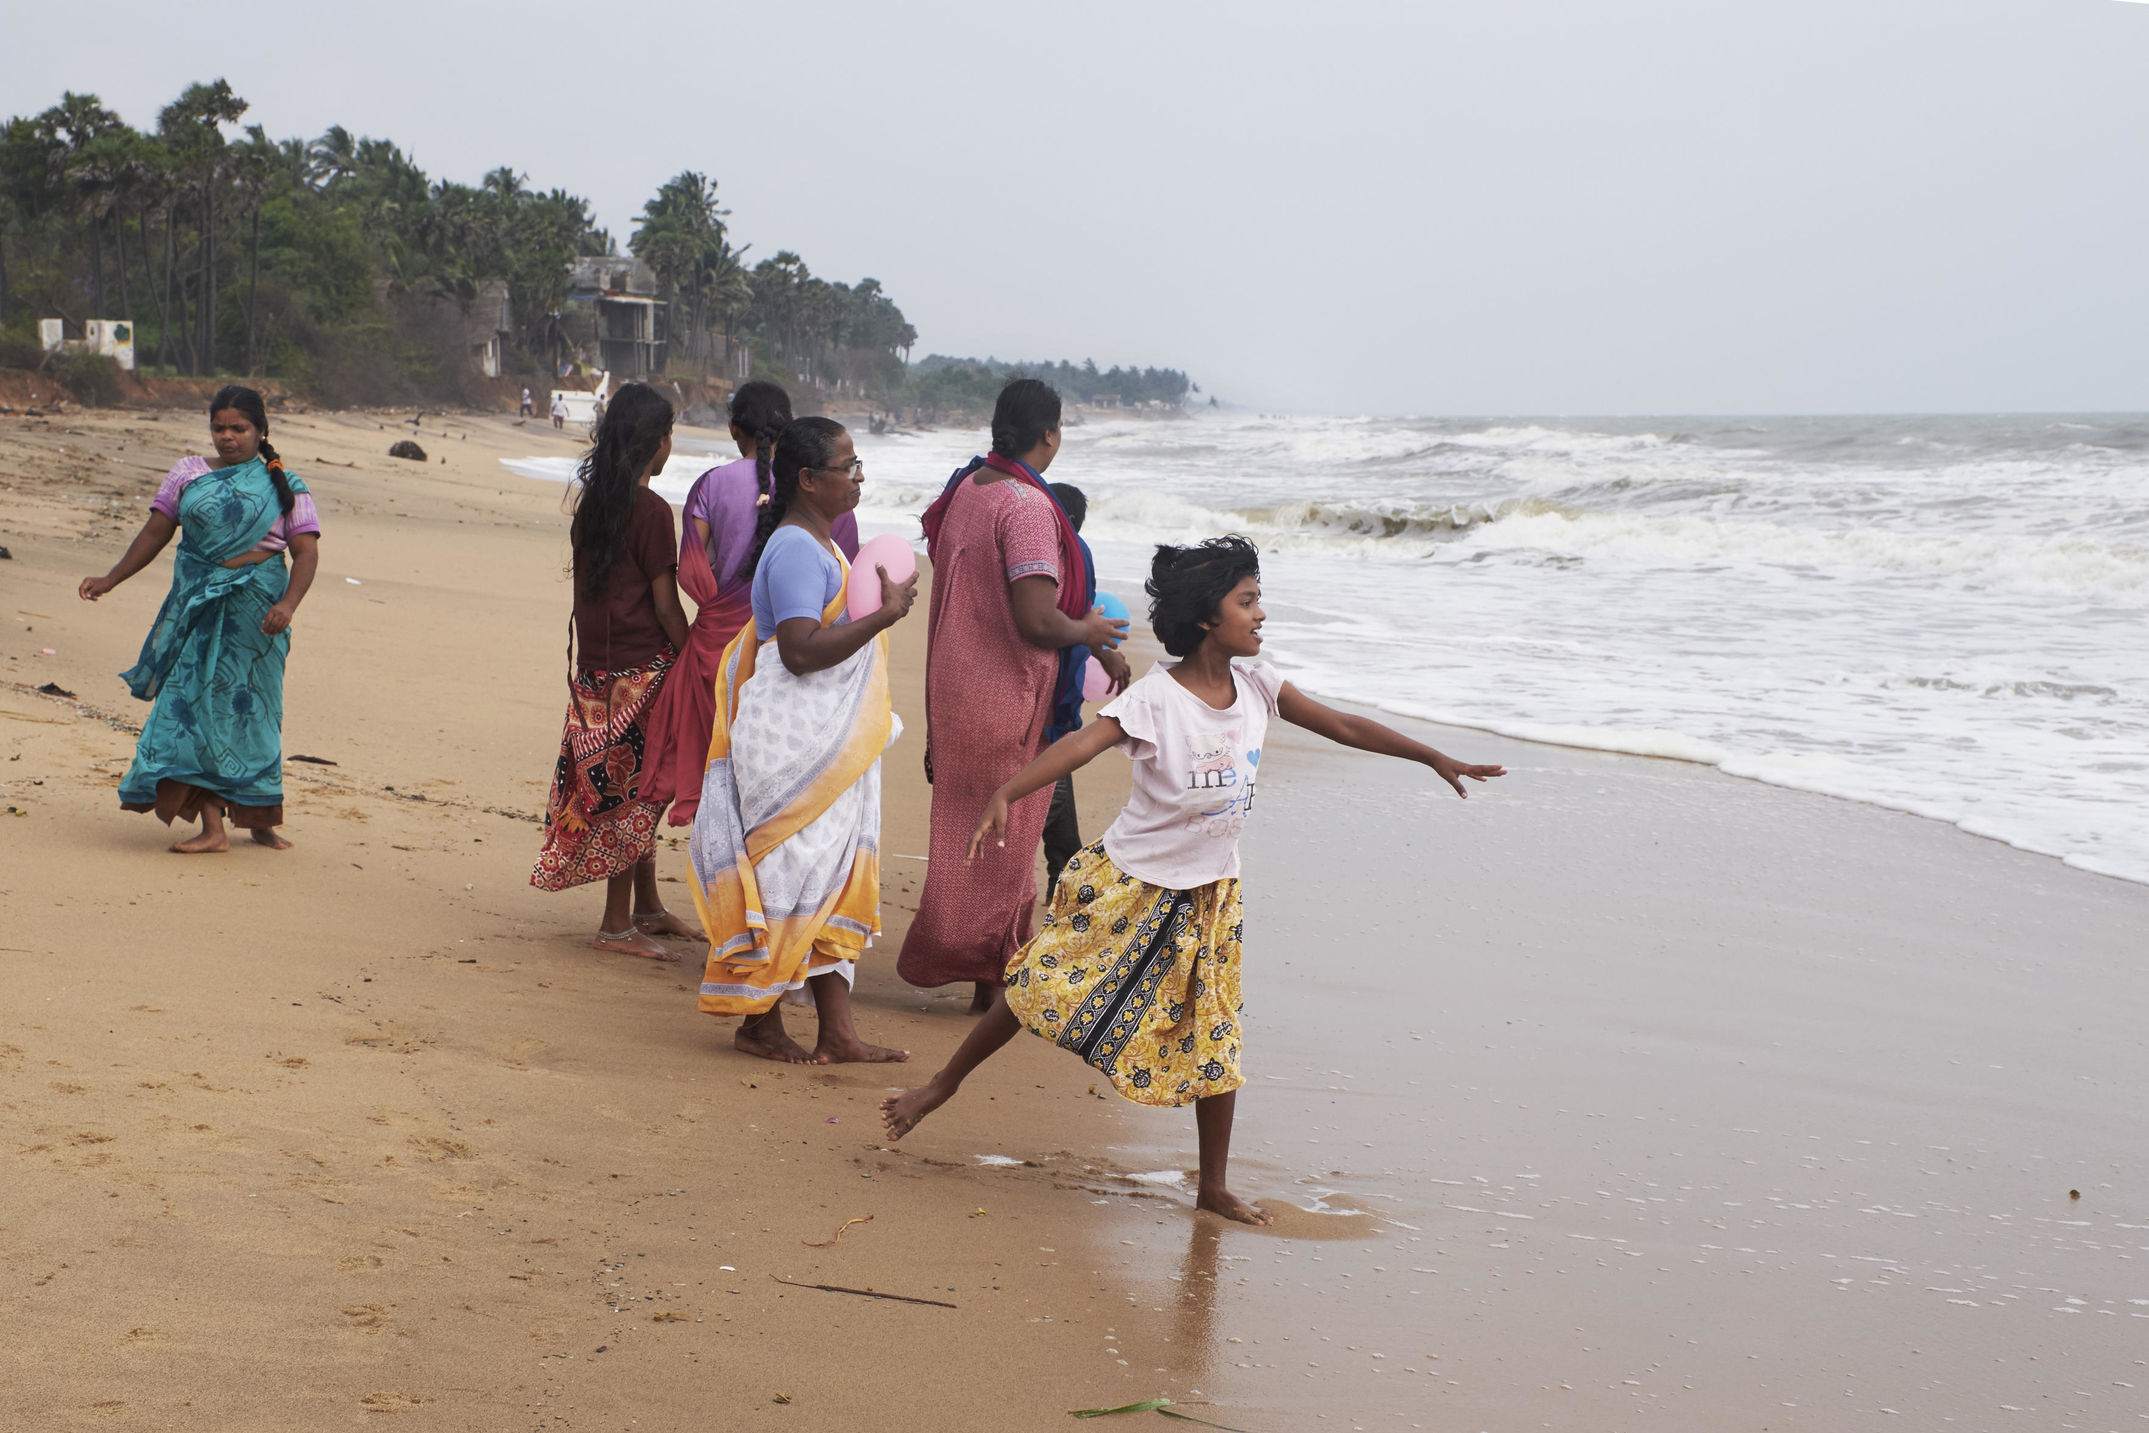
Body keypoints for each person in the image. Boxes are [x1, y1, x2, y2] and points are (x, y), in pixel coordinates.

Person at [881, 536, 1506, 1222]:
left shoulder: (1258, 684)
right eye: (1247, 600)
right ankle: (939, 1087)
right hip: (1134, 882)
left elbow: (1343, 725)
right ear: (1208, 616)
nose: (1260, 613)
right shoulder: (1156, 698)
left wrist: (1431, 755)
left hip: (1211, 893)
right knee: (1038, 983)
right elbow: (1080, 743)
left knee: (1216, 1034)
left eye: (1257, 598)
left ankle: (1213, 1183)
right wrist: (1007, 790)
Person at [688, 416, 917, 1064]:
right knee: (790, 871)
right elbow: (797, 651)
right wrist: (884, 615)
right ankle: (758, 1021)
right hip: (792, 739)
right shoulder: (793, 549)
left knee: (833, 870)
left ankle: (836, 1031)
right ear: (809, 479)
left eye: (858, 464)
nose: (858, 477)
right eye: (848, 467)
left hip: (826, 741)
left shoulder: (821, 543)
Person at [896, 380, 1130, 1011]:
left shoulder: (969, 488)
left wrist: (1085, 638)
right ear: (1049, 434)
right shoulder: (1028, 507)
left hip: (954, 685)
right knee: (1007, 847)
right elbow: (1036, 618)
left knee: (964, 836)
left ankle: (964, 962)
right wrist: (1091, 630)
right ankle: (991, 981)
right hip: (1006, 695)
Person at [77, 385, 321, 853]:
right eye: (219, 428)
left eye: (239, 428)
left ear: (260, 431)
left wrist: (288, 605)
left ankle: (260, 815)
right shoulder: (186, 473)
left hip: (257, 614)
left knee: (254, 711)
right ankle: (213, 827)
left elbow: (305, 553)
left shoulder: (286, 484)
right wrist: (111, 578)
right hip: (196, 606)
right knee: (194, 708)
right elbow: (155, 532)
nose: (227, 437)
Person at [530, 382, 699, 959]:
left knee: (621, 786)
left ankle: (647, 906)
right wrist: (697, 656)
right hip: (642, 669)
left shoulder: (595, 501)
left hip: (597, 672)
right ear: (657, 444)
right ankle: (616, 924)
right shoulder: (652, 512)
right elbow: (665, 604)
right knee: (633, 794)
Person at [642, 382, 858, 827]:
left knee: (713, 766)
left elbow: (691, 569)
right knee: (771, 774)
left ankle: (717, 869)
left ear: (733, 428)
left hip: (717, 649)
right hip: (791, 649)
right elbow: (842, 581)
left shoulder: (712, 484)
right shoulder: (822, 489)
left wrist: (716, 606)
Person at [1043, 480, 1098, 898]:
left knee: (1059, 828)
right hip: (1055, 705)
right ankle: (1061, 890)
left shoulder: (1069, 553)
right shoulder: (1076, 554)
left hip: (1055, 700)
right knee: (1054, 818)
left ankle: (1061, 887)